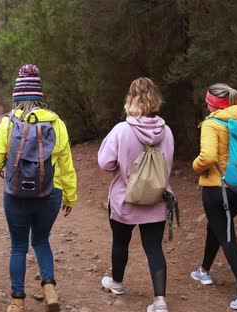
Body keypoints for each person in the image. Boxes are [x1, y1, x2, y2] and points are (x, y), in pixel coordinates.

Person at [0, 64, 77, 312]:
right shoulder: (57, 123)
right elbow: (66, 163)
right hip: (51, 192)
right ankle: (49, 288)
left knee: (18, 245)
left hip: (16, 193)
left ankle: (17, 301)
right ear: (40, 96)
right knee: (41, 240)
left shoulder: (8, 122)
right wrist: (70, 195)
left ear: (17, 96)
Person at [97, 77, 174, 312]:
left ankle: (117, 283)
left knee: (121, 242)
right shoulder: (167, 131)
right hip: (157, 200)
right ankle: (159, 300)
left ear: (130, 99)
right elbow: (167, 163)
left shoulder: (122, 130)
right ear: (156, 100)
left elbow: (105, 163)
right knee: (154, 248)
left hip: (125, 200)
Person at [190, 83, 237, 310]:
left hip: (217, 188)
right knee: (217, 227)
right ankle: (203, 271)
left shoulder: (212, 123)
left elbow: (207, 157)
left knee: (227, 234)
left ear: (212, 102)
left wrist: (195, 166)